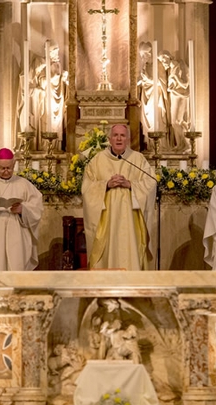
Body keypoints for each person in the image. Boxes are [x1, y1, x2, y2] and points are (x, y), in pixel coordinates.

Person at [81, 124, 156, 270]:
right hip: (106, 219)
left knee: (130, 249)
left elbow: (151, 182)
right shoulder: (97, 160)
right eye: (115, 135)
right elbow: (87, 186)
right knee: (108, 249)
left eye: (122, 135)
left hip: (131, 219)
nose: (119, 138)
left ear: (128, 139)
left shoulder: (138, 159)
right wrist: (106, 184)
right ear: (109, 139)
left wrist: (130, 184)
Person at [158, 50, 190, 152]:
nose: (163, 63)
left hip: (180, 95)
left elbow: (185, 84)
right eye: (162, 61)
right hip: (174, 95)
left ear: (168, 57)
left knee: (177, 121)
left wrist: (176, 78)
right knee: (174, 122)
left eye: (164, 60)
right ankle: (180, 144)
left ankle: (186, 144)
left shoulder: (180, 65)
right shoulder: (172, 69)